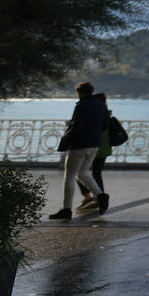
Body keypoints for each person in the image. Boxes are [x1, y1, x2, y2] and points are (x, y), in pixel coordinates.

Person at [49, 81, 109, 219]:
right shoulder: (101, 104)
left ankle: (66, 209)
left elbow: (76, 126)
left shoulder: (81, 105)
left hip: (79, 145)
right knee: (82, 173)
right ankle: (100, 195)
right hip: (94, 145)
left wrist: (65, 141)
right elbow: (105, 125)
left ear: (80, 92)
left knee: (69, 176)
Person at [75, 92, 124, 213]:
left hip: (94, 148)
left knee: (80, 172)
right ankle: (95, 198)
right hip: (105, 149)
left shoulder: (97, 116)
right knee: (95, 173)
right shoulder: (108, 115)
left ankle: (93, 197)